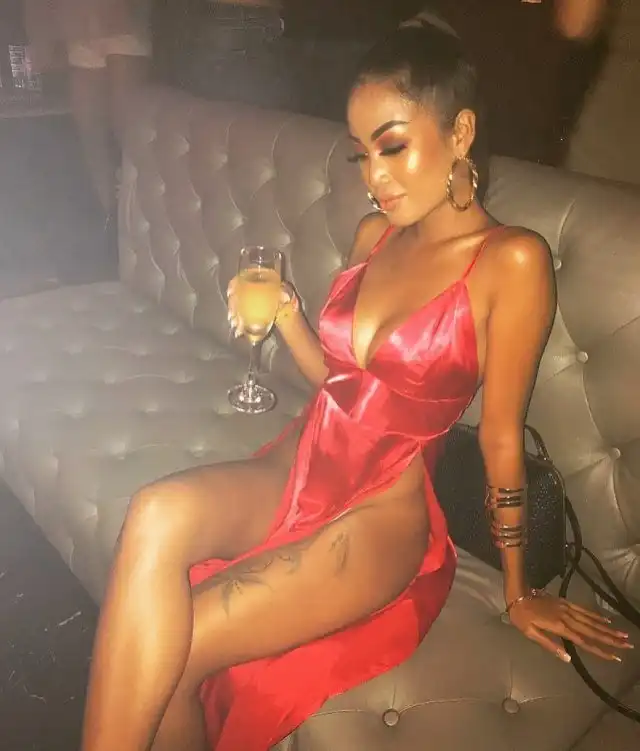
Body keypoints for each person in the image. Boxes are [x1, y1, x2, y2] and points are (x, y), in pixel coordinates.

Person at [79, 20, 632, 751]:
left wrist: (518, 588)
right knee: (154, 510)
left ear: (460, 132)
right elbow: (340, 384)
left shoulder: (512, 260)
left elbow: (501, 435)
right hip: (305, 459)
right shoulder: (375, 235)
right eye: (361, 153)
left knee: (182, 651)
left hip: (380, 511)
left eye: (392, 146)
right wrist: (288, 315)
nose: (374, 176)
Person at [23, 0, 152, 221]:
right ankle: (113, 218)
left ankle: (134, 217)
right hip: (82, 27)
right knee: (95, 136)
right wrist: (40, 37)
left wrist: (41, 37)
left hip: (117, 22)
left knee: (128, 134)